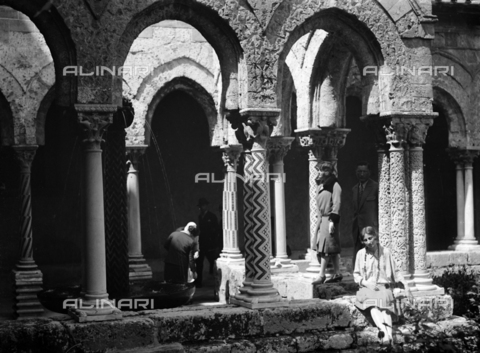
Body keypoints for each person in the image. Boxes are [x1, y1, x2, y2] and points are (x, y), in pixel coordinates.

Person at [353, 226, 411, 345]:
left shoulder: (385, 252)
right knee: (374, 305)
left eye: (371, 238)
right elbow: (356, 275)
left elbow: (396, 271)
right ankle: (383, 331)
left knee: (385, 309)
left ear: (376, 237)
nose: (369, 242)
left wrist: (406, 285)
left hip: (383, 286)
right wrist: (365, 283)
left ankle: (389, 335)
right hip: (367, 287)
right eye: (365, 240)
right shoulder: (360, 254)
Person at [311, 161, 343, 285]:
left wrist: (332, 221)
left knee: (326, 248)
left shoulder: (335, 185)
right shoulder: (321, 186)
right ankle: (337, 273)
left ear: (328, 171)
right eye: (318, 170)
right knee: (331, 247)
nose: (319, 172)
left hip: (329, 219)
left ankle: (322, 275)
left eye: (321, 170)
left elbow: (337, 203)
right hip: (322, 219)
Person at [352, 161, 378, 268]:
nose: (361, 174)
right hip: (357, 227)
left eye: (364, 171)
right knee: (358, 253)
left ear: (369, 172)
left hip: (371, 227)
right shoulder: (354, 189)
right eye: (359, 171)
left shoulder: (376, 187)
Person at [196, 197, 219, 287]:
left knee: (213, 262)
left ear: (206, 206)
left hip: (210, 243)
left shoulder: (212, 216)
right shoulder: (200, 216)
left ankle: (216, 281)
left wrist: (214, 242)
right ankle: (199, 282)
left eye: (203, 206)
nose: (201, 208)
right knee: (199, 262)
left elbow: (215, 230)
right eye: (200, 206)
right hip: (202, 242)